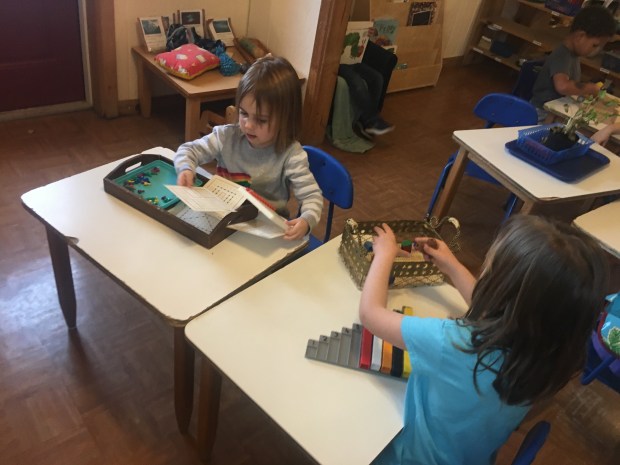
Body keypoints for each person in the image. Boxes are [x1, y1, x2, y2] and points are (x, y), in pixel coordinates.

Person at [359, 215, 609, 464]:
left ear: (503, 289)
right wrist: (452, 265)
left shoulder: (453, 343)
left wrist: (384, 255)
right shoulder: (548, 356)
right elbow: (498, 312)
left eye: (490, 264)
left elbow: (371, 314)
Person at [174, 56, 323, 241]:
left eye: (261, 120)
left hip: (267, 232)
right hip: (224, 220)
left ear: (286, 119)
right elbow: (188, 150)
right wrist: (186, 168)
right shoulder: (226, 136)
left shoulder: (291, 154)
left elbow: (312, 196)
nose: (248, 125)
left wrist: (306, 220)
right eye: (243, 113)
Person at [530, 5, 616, 122]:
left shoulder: (574, 55)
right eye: (595, 45)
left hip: (555, 108)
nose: (597, 51)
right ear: (580, 36)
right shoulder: (562, 55)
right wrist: (588, 88)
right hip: (541, 113)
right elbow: (562, 86)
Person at [338, 62, 395, 137]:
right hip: (338, 65)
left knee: (377, 78)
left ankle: (368, 122)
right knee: (357, 82)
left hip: (353, 63)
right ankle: (372, 121)